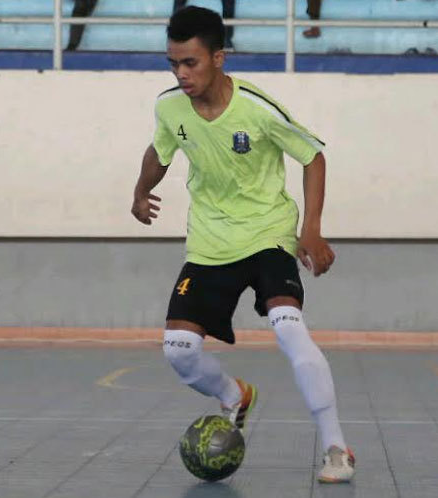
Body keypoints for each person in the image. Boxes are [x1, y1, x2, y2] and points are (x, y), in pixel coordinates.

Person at [130, 6, 354, 483]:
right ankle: (235, 396)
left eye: (190, 63)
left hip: (269, 233)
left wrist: (310, 229)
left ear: (219, 58)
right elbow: (160, 149)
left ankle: (337, 448)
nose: (181, 73)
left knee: (288, 327)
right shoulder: (169, 106)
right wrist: (140, 189)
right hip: (211, 242)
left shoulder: (256, 107)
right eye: (173, 64)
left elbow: (313, 157)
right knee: (179, 349)